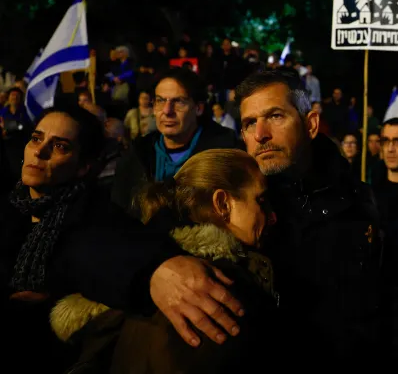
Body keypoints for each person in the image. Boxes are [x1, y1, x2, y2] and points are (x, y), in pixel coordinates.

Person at [51, 149, 279, 373]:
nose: (272, 216)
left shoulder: (137, 284)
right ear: (223, 204)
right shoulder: (215, 289)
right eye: (261, 200)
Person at [0, 105, 177, 371]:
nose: (40, 151)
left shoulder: (98, 219)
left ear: (83, 166)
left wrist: (55, 299)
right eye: (36, 138)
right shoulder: (7, 210)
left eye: (60, 146)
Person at [235, 70, 381, 368]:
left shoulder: (363, 203)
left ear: (311, 124)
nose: (261, 134)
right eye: (250, 123)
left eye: (275, 116)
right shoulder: (226, 206)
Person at [112, 68, 238, 215]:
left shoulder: (225, 155)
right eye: (160, 101)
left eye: (178, 101)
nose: (167, 110)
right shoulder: (136, 155)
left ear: (198, 108)